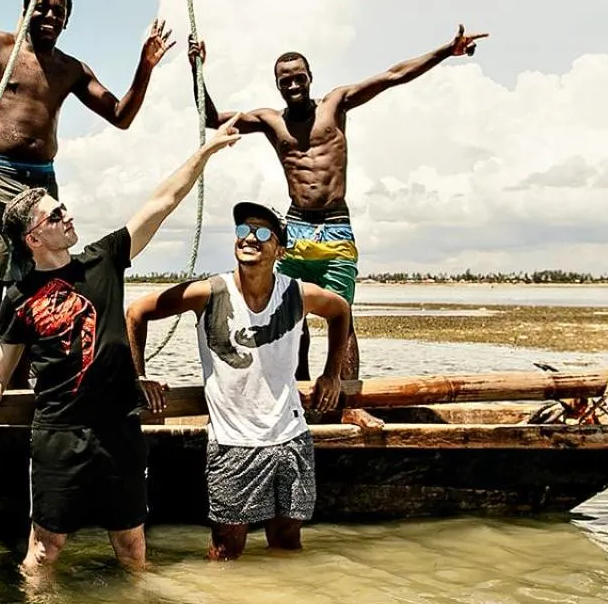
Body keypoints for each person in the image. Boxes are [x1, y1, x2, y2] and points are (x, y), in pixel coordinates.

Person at [0, 117, 245, 575]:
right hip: (59, 436)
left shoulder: (104, 259)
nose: (67, 216)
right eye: (55, 215)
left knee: (132, 546)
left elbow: (162, 202)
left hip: (119, 433)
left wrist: (205, 153)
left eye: (62, 208)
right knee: (45, 551)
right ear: (34, 238)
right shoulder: (21, 296)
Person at [188, 25, 488, 380]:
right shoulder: (270, 121)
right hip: (295, 230)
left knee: (341, 316)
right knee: (289, 315)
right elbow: (211, 119)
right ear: (278, 85)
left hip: (335, 229)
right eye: (286, 81)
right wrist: (197, 70)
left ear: (310, 77)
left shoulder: (336, 103)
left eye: (299, 78)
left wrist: (445, 51)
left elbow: (394, 76)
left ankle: (346, 396)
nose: (294, 85)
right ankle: (294, 392)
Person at [0, 0, 175, 381]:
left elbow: (120, 115)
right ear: (25, 12)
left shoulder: (70, 68)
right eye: (40, 8)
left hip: (40, 180)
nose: (48, 16)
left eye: (57, 11)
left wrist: (145, 67)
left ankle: (22, 368)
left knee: (37, 276)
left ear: (66, 21)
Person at [127, 202, 382, 560]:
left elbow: (340, 310)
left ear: (280, 249)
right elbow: (137, 312)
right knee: (226, 546)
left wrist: (331, 374)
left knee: (288, 539)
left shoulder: (296, 293)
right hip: (233, 443)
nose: (250, 239)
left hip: (291, 437)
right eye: (243, 231)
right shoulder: (210, 292)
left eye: (263, 233)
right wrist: (138, 375)